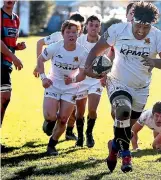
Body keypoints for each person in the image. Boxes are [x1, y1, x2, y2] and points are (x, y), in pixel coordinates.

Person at [84, 1, 161, 173]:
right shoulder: (117, 30)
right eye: (138, 26)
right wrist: (88, 68)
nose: (141, 31)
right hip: (117, 82)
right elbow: (95, 50)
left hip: (141, 88)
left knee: (126, 128)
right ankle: (126, 154)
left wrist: (154, 62)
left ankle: (114, 148)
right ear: (132, 19)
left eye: (145, 28)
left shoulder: (158, 36)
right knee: (123, 111)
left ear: (152, 25)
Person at [36, 20, 88, 155]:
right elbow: (40, 60)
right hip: (53, 85)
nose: (71, 35)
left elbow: (82, 74)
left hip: (70, 88)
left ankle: (52, 145)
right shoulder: (54, 47)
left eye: (74, 32)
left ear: (79, 34)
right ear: (63, 34)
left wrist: (73, 79)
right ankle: (49, 121)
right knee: (50, 116)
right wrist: (43, 78)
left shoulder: (83, 52)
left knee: (64, 119)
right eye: (68, 32)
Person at [74, 15, 106, 148]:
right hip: (81, 79)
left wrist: (105, 75)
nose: (94, 28)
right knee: (79, 112)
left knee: (92, 110)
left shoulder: (104, 42)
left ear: (100, 27)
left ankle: (89, 133)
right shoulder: (79, 40)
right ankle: (80, 136)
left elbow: (110, 60)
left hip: (96, 80)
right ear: (86, 26)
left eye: (97, 25)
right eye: (91, 25)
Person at [1, 0, 26, 152]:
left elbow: (9, 41)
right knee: (4, 97)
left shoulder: (16, 18)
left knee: (4, 99)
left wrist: (17, 46)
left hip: (6, 64)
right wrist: (15, 57)